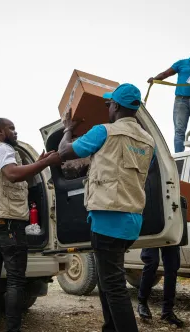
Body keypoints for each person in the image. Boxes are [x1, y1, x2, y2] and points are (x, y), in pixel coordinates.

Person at [58, 83, 155, 332]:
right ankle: (109, 328)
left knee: (113, 285)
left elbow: (64, 152)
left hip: (107, 220)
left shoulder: (103, 132)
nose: (108, 107)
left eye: (110, 103)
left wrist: (67, 130)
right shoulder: (148, 140)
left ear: (116, 106)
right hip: (131, 220)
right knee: (107, 279)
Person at [0, 118, 61, 332]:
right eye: (11, 129)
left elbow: (14, 173)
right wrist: (43, 164)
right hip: (9, 223)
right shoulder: (4, 149)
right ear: (0, 130)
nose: (15, 132)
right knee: (15, 281)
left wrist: (35, 163)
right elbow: (12, 174)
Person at [148, 42, 190, 153]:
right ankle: (179, 156)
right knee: (179, 130)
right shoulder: (182, 63)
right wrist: (155, 79)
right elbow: (166, 73)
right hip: (181, 101)